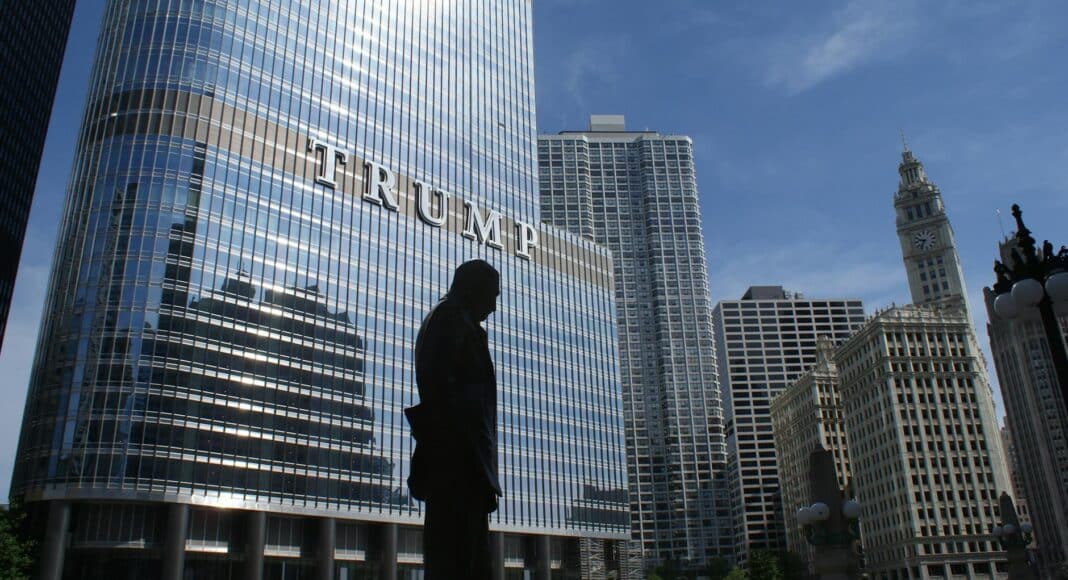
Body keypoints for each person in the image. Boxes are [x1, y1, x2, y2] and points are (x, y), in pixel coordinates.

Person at [406, 260, 502, 579]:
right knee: (457, 560)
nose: (493, 305)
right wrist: (460, 453)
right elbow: (440, 392)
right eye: (492, 295)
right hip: (456, 465)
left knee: (472, 562)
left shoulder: (465, 325)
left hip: (469, 468)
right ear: (472, 289)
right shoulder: (449, 320)